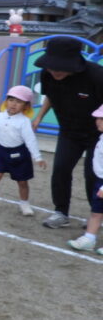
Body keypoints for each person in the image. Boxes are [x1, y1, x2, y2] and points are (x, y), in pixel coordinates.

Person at [30, 36, 103, 228]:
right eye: (51, 67)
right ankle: (61, 212)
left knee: (93, 174)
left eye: (60, 68)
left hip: (97, 134)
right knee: (61, 169)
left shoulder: (96, 76)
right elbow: (50, 96)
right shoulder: (47, 74)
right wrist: (39, 117)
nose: (55, 71)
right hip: (69, 130)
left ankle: (97, 215)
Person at [0, 85, 46, 215]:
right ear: (6, 101)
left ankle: (24, 204)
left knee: (22, 182)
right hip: (2, 152)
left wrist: (38, 157)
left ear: (26, 106)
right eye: (11, 100)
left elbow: (30, 140)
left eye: (19, 101)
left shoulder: (24, 121)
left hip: (20, 154)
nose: (13, 104)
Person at [67, 104, 103, 255]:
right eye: (98, 118)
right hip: (100, 180)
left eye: (101, 119)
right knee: (96, 212)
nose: (97, 121)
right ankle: (89, 238)